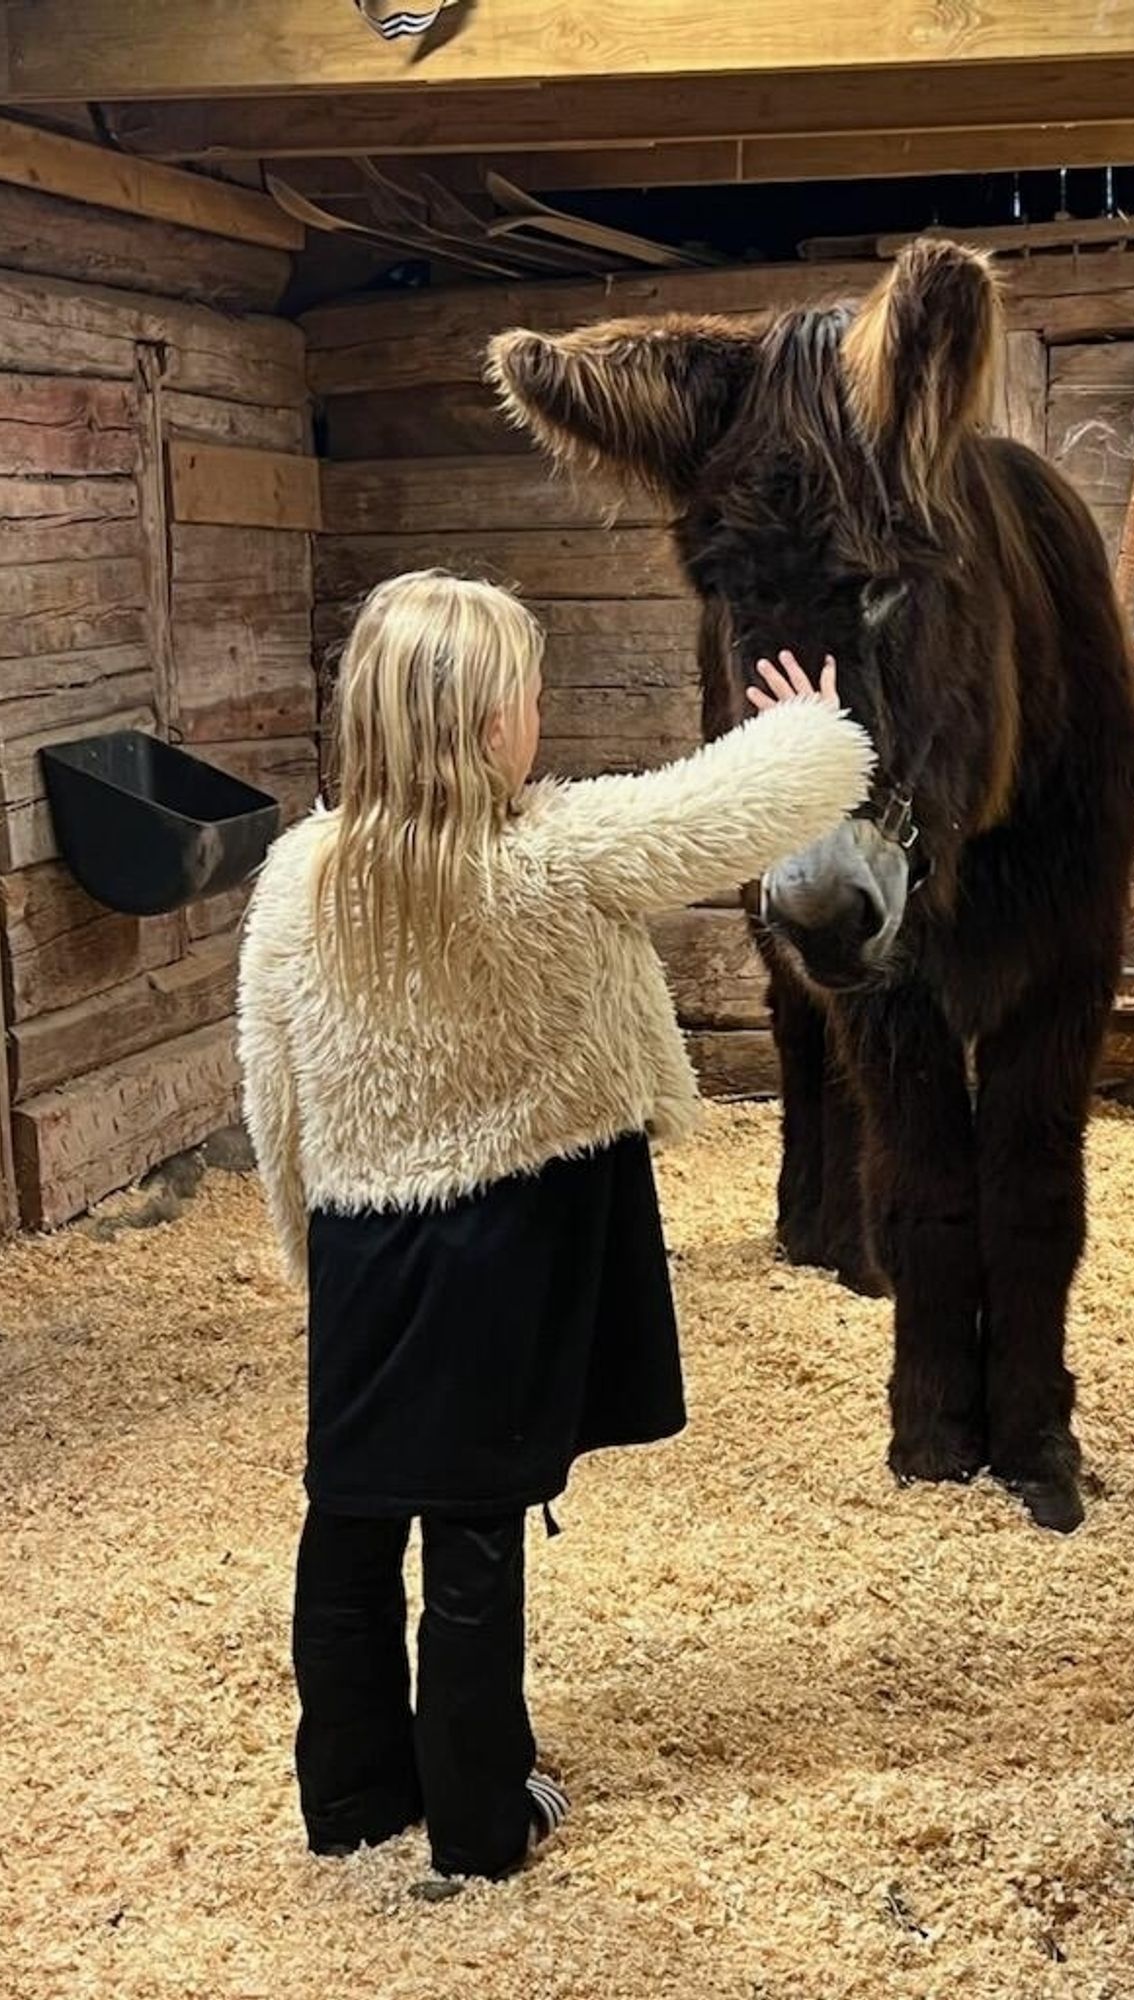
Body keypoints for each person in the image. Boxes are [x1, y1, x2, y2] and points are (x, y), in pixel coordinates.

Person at [237, 569, 873, 1884]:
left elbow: (271, 1085)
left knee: (348, 1518)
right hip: (496, 1255)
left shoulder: (301, 876)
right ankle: (480, 1820)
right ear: (484, 725)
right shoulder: (557, 855)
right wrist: (812, 726)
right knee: (473, 1528)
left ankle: (354, 1795)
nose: (542, 718)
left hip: (365, 1246)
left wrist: (314, 1252)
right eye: (529, 695)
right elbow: (725, 812)